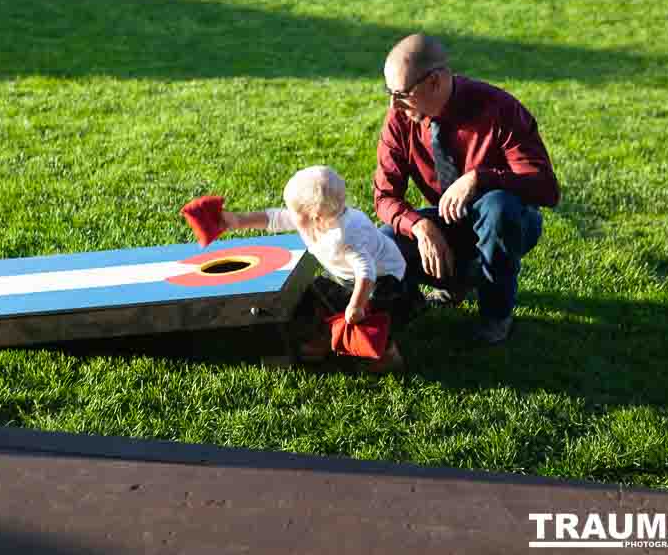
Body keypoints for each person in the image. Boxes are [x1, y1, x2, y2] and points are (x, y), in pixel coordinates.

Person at [375, 34, 560, 344]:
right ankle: (412, 305)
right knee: (385, 239)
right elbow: (384, 197)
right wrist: (420, 227)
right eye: (389, 92)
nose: (393, 104)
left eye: (402, 93)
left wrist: (480, 178)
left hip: (506, 220)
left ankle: (496, 315)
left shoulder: (499, 108)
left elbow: (545, 189)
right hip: (446, 219)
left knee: (498, 207)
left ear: (434, 82)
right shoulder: (400, 118)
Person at [222, 165, 409, 371]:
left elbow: (367, 272)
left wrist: (356, 305)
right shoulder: (313, 220)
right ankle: (326, 336)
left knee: (368, 314)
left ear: (316, 218)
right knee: (316, 293)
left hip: (384, 277)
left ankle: (386, 355)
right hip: (346, 273)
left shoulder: (345, 236)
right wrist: (238, 220)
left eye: (294, 211)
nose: (290, 215)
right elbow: (273, 218)